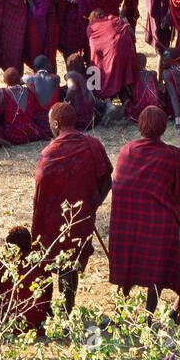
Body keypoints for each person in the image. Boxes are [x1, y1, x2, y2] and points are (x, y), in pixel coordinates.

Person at [108, 107, 180, 311]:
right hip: (159, 224)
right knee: (156, 269)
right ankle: (148, 316)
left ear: (140, 126)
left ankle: (121, 310)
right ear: (163, 127)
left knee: (128, 261)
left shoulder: (126, 150)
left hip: (128, 222)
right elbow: (175, 175)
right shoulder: (172, 155)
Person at [30, 102, 112, 312]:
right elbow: (106, 180)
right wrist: (92, 205)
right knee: (70, 262)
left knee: (47, 258)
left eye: (50, 123)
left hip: (51, 218)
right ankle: (68, 308)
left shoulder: (49, 152)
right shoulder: (93, 144)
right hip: (80, 215)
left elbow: (41, 188)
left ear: (56, 123)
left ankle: (46, 309)